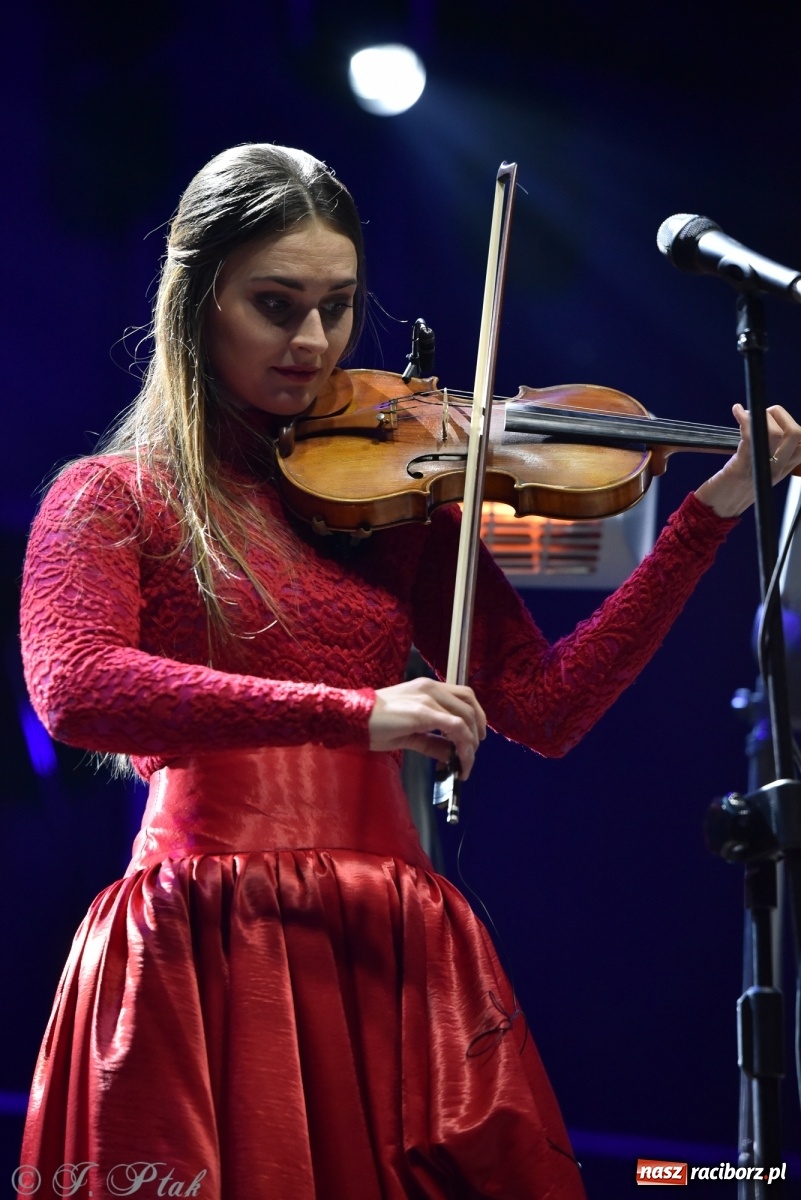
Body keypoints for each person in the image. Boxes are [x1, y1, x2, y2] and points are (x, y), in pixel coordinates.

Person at [18, 143, 801, 1200]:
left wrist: (707, 519)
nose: (312, 341)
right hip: (206, 937)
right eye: (275, 303)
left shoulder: (396, 513)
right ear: (197, 305)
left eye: (337, 306)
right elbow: (77, 690)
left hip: (387, 941)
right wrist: (357, 712)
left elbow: (546, 707)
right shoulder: (113, 497)